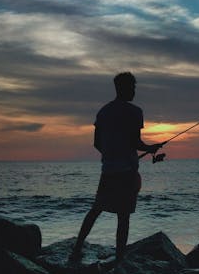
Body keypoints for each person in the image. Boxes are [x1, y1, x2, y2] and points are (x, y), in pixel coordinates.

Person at [69, 72, 162, 263]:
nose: (134, 91)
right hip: (127, 172)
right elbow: (136, 142)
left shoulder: (103, 112)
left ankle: (77, 248)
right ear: (124, 88)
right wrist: (151, 148)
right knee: (124, 217)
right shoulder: (135, 112)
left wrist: (111, 154)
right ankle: (120, 259)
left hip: (108, 171)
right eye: (132, 87)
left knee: (95, 210)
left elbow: (96, 143)